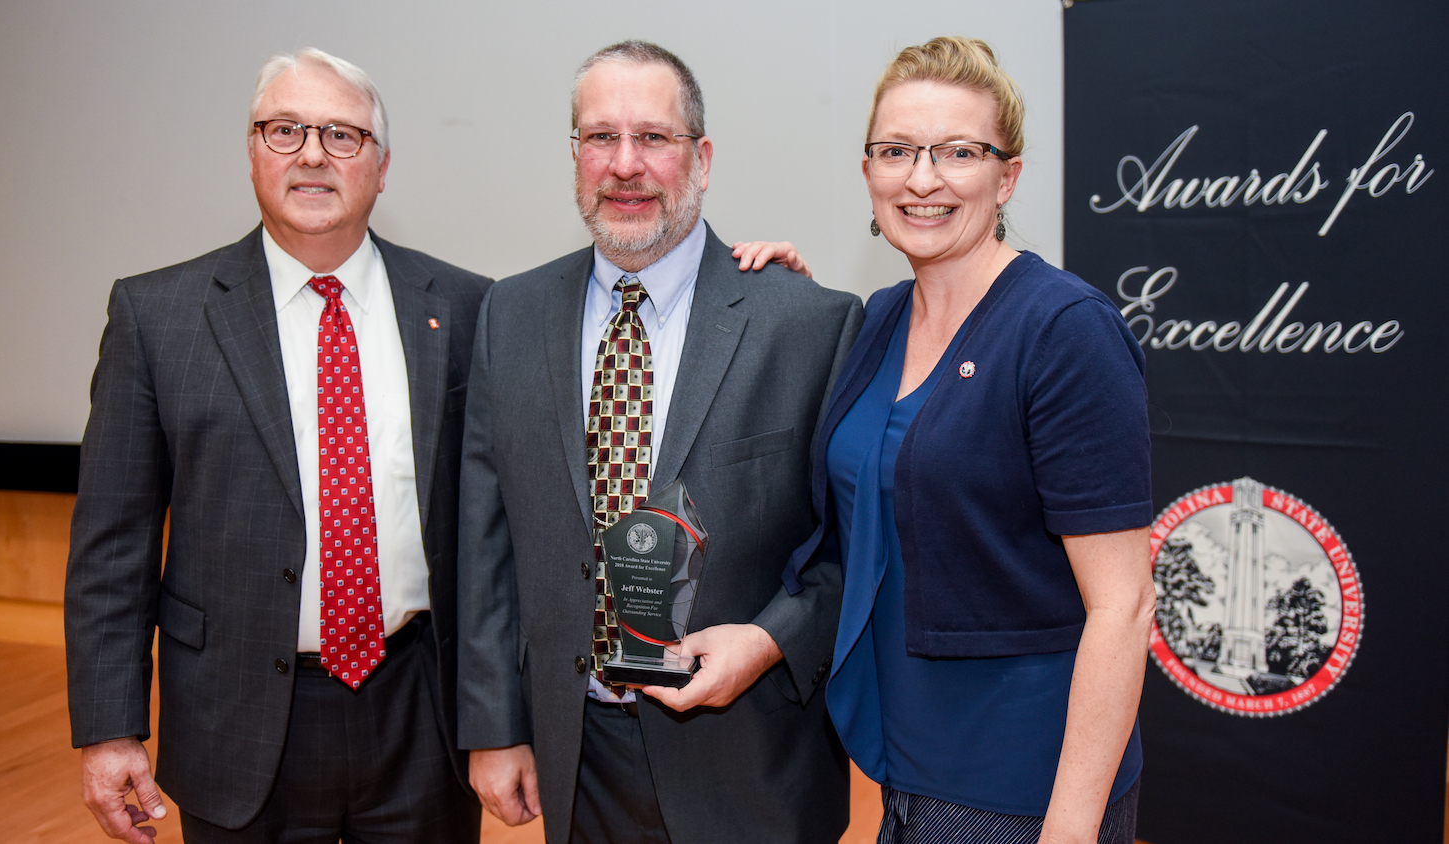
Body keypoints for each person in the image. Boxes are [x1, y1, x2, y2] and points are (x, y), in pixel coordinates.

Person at [64, 48, 491, 843]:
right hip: (236, 716)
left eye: (342, 135)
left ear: (382, 166)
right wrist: (109, 728)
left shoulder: (467, 308)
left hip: (422, 714)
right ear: (252, 151)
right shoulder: (158, 316)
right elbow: (111, 546)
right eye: (285, 130)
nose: (312, 156)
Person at [456, 40, 862, 844]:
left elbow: (851, 548)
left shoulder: (808, 325)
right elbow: (487, 539)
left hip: (751, 759)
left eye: (654, 138)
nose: (624, 164)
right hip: (578, 752)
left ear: (701, 159)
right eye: (600, 138)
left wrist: (770, 640)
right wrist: (494, 725)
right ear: (576, 157)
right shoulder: (512, 314)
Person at [782, 36, 1156, 844]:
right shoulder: (878, 318)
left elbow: (1123, 606)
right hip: (905, 769)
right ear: (868, 170)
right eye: (896, 152)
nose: (922, 179)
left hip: (1023, 789)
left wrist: (1071, 827)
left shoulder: (1064, 331)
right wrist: (771, 299)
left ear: (1006, 175)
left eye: (958, 151)